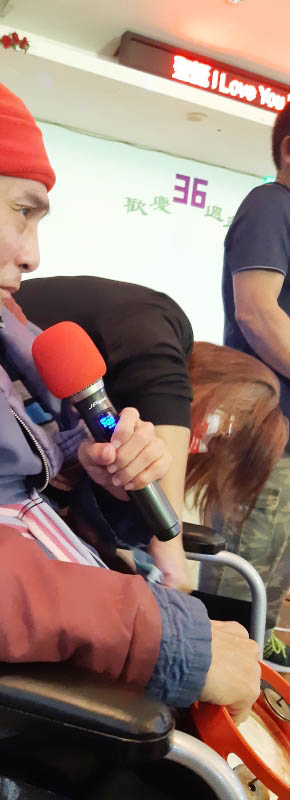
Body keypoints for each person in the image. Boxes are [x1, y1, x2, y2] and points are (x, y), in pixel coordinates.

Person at [0, 54, 260, 729]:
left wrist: (103, 483)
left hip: (59, 641)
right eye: (22, 213)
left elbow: (25, 482)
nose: (34, 255)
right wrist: (152, 633)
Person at [16, 275, 287, 601]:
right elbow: (162, 382)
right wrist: (169, 544)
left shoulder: (108, 429)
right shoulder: (159, 322)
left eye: (215, 445)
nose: (202, 442)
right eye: (217, 426)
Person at [221, 102, 290, 672]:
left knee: (268, 588)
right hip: (268, 438)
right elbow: (257, 312)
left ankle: (249, 685)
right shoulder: (270, 204)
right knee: (242, 589)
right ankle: (211, 707)